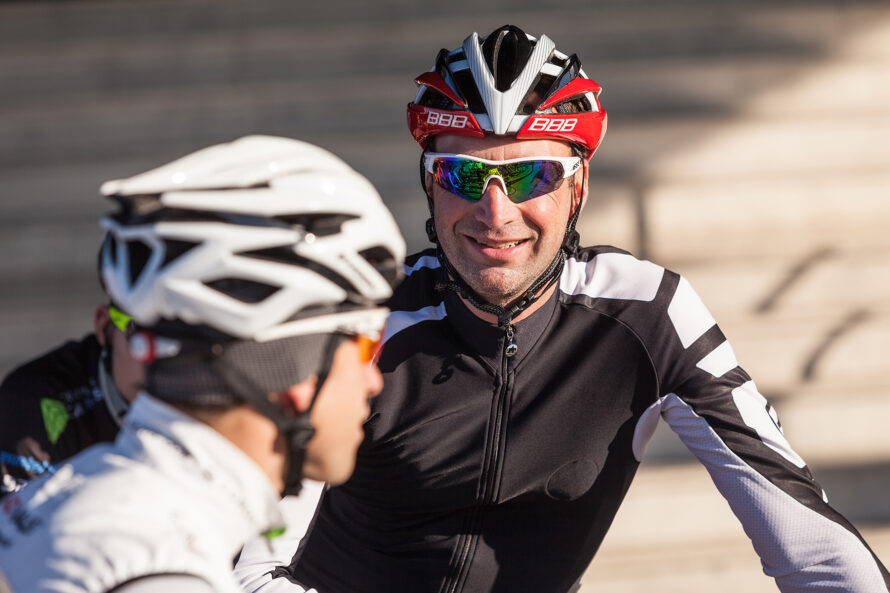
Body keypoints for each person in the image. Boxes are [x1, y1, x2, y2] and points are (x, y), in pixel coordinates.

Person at [262, 25, 890, 593]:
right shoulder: (362, 321)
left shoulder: (645, 312)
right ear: (430, 184)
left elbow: (816, 547)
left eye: (533, 176)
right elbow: (252, 567)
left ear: (578, 186)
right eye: (465, 177)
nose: (496, 214)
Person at [0, 135, 406, 593]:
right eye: (366, 347)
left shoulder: (87, 493)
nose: (373, 380)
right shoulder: (160, 569)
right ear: (293, 373)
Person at [0, 297, 144, 497]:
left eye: (192, 340)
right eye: (141, 334)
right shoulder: (31, 401)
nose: (167, 358)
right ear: (105, 327)